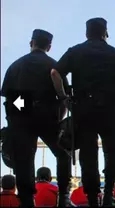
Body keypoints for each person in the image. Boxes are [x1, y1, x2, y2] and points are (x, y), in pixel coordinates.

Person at [51, 17, 115, 206]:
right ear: (105, 33)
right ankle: (108, 195)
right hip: (109, 110)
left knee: (88, 155)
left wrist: (63, 97)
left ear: (86, 33)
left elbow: (55, 73)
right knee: (112, 152)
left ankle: (93, 198)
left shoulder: (75, 51)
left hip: (83, 109)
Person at [1, 29, 72, 207]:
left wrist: (21, 113)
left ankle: (27, 200)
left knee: (24, 159)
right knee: (63, 153)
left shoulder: (15, 66)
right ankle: (63, 196)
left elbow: (9, 99)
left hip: (21, 118)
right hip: (48, 115)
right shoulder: (54, 66)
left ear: (31, 43)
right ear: (49, 46)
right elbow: (64, 98)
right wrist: (58, 117)